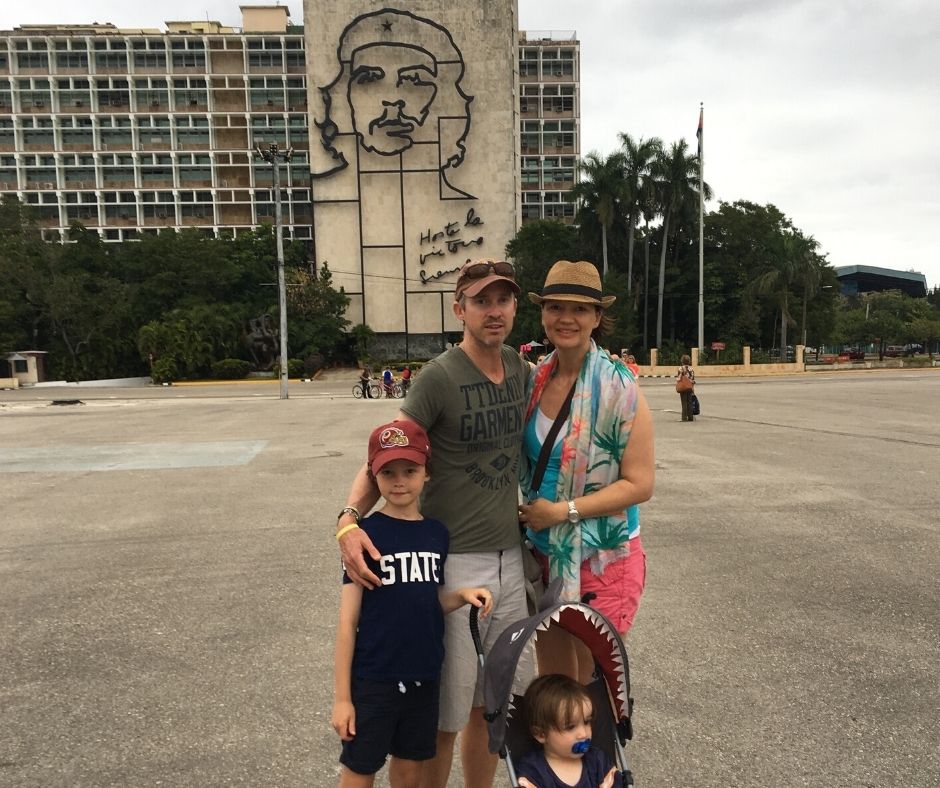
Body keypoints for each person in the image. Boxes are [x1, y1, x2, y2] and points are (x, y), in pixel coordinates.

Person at [335, 258, 532, 788]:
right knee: (445, 711)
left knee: (494, 704)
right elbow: (390, 448)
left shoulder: (519, 367)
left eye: (503, 300)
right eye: (482, 301)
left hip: (510, 557)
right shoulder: (440, 377)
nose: (494, 312)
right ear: (459, 308)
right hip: (455, 558)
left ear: (515, 306)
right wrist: (350, 519)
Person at [332, 419, 493, 788]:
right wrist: (342, 699)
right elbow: (347, 622)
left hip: (424, 676)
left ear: (427, 473)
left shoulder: (436, 534)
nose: (400, 480)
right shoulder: (364, 537)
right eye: (387, 472)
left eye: (410, 470)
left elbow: (424, 602)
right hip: (374, 678)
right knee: (360, 768)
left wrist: (461, 597)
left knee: (409, 768)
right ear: (374, 477)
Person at [517, 260, 655, 682]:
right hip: (545, 553)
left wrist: (562, 512)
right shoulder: (536, 380)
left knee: (594, 694)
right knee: (556, 688)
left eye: (579, 309)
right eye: (556, 306)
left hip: (602, 558)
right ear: (542, 314)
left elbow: (641, 484)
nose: (566, 318)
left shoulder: (620, 389)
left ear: (597, 318)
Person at [516, 674, 621, 788]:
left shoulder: (598, 762)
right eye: (570, 727)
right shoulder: (533, 772)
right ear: (541, 734)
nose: (583, 734)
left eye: (587, 722)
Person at [676, 354, 695, 422]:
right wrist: (693, 388)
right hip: (690, 387)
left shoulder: (680, 369)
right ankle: (690, 417)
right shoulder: (691, 369)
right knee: (689, 402)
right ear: (689, 361)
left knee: (684, 403)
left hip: (683, 387)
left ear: (682, 361)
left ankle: (684, 418)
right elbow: (693, 379)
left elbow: (679, 379)